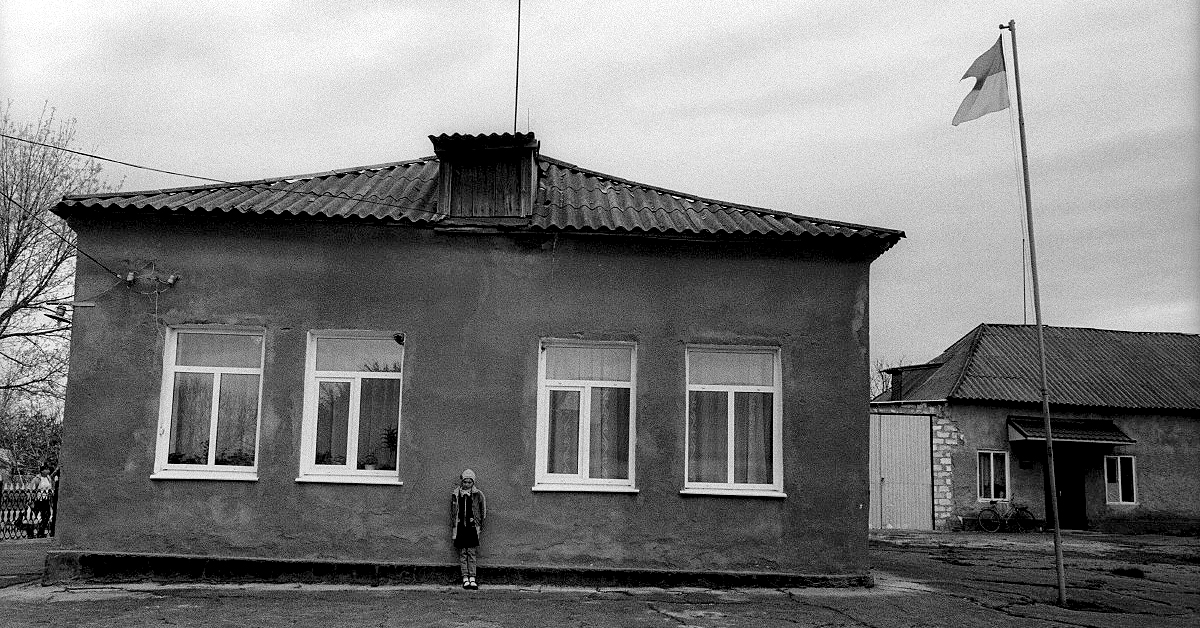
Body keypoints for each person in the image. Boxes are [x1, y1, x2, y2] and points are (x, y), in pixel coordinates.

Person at [450, 469, 486, 589]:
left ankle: (472, 577)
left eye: (469, 482)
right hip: (460, 527)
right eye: (465, 482)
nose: (466, 484)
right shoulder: (456, 494)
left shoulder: (478, 494)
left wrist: (479, 524)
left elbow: (483, 510)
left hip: (472, 528)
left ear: (473, 483)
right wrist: (455, 523)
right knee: (463, 553)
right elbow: (453, 511)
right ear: (462, 482)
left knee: (471, 552)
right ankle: (465, 577)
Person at [31, 463, 55, 538]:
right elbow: (32, 489)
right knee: (35, 516)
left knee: (47, 516)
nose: (48, 470)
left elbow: (50, 487)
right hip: (38, 500)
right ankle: (32, 533)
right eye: (46, 469)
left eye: (48, 469)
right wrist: (32, 499)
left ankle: (41, 531)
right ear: (42, 471)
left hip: (46, 499)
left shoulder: (48, 478)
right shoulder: (37, 479)